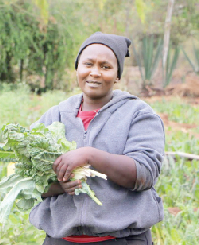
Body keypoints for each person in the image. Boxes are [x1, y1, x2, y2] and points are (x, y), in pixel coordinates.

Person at [29, 32, 165, 245]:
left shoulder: (138, 114)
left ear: (117, 74)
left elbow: (144, 173)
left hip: (123, 240)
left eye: (105, 67)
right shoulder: (54, 116)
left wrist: (89, 155)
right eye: (88, 64)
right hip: (60, 240)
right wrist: (58, 186)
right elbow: (26, 177)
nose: (95, 73)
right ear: (77, 68)